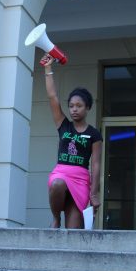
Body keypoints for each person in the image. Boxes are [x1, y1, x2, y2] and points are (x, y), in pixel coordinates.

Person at [42, 54, 102, 229]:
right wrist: (48, 68)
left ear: (88, 107)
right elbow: (53, 97)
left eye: (79, 106)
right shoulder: (64, 125)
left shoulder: (94, 134)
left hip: (81, 181)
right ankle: (56, 218)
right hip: (61, 173)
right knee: (58, 184)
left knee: (73, 232)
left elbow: (96, 165)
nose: (74, 109)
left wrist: (94, 193)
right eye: (71, 106)